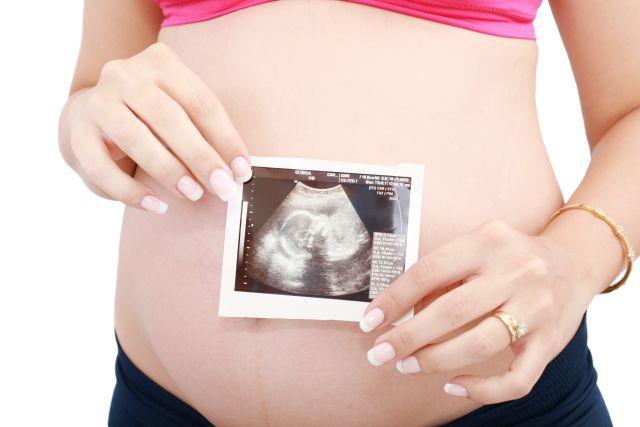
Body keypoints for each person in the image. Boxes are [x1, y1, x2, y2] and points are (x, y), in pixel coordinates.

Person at [58, 0, 639, 425]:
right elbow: (95, 88)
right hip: (163, 406)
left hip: (489, 403)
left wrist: (575, 257)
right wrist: (87, 118)